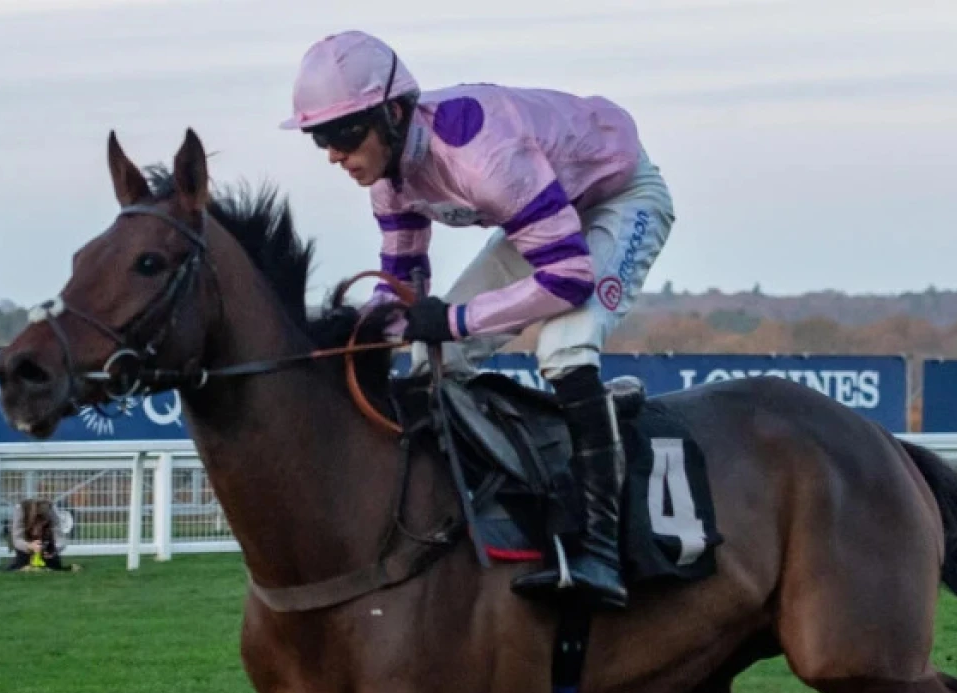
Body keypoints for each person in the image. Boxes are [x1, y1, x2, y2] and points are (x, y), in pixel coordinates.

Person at [280, 31, 675, 609]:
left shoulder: (483, 159)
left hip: (618, 199)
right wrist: (341, 339)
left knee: (564, 346)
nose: (334, 154)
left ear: (392, 114)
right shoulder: (389, 182)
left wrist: (457, 319)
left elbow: (568, 278)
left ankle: (601, 550)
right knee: (428, 358)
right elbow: (403, 294)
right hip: (545, 216)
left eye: (343, 134)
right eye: (320, 138)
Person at [4, 498, 74, 572]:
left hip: (46, 544)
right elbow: (17, 540)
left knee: (54, 564)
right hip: (25, 543)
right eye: (38, 520)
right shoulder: (21, 510)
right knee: (21, 563)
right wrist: (29, 546)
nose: (41, 524)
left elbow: (60, 539)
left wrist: (54, 549)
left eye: (44, 521)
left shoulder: (52, 511)